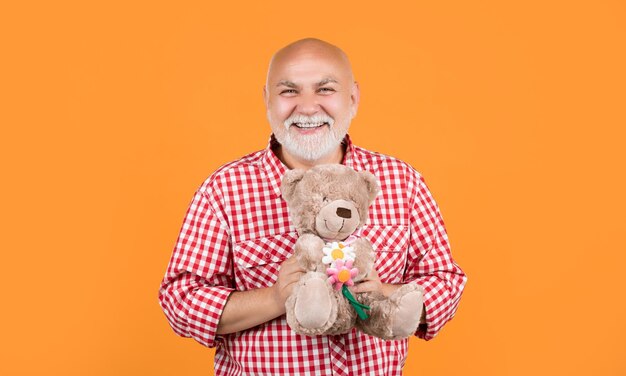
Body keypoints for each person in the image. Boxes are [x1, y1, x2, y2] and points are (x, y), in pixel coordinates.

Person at [158, 38, 467, 375]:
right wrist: (276, 297)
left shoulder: (401, 181)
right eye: (289, 91)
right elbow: (181, 302)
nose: (307, 107)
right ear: (267, 100)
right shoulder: (223, 190)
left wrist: (382, 293)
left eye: (325, 89)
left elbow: (445, 283)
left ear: (353, 98)